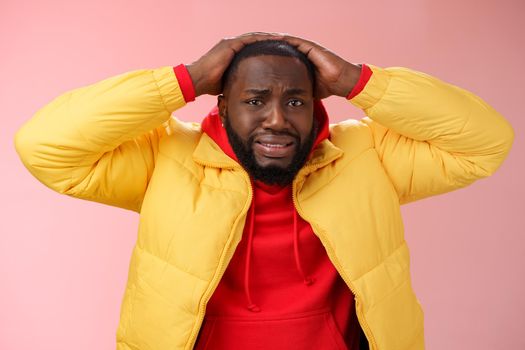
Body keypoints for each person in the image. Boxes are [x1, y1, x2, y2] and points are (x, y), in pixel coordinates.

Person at [14, 33, 514, 350]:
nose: (277, 119)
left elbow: (485, 143)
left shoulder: (364, 156)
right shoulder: (166, 157)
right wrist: (183, 81)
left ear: (316, 103)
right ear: (223, 103)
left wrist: (357, 80)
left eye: (295, 100)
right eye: (255, 100)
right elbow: (45, 147)